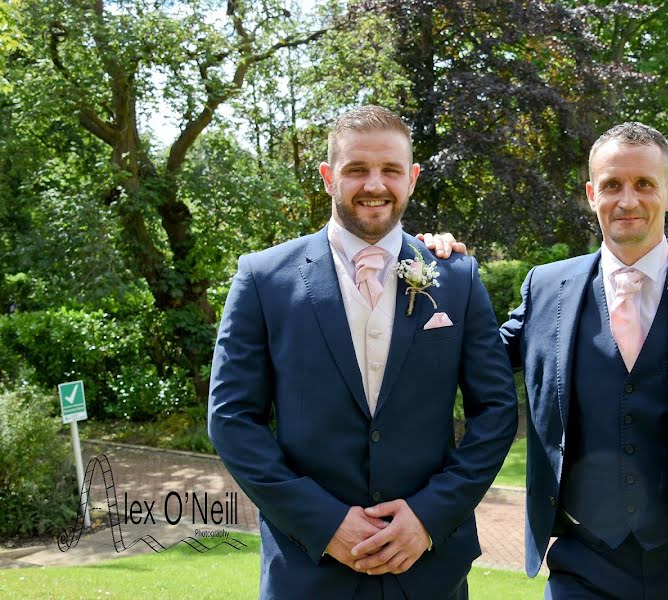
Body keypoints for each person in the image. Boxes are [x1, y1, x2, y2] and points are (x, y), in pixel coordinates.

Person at [425, 122, 668, 598]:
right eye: (612, 185)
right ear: (592, 194)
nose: (627, 200)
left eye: (644, 184)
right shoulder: (546, 287)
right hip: (583, 563)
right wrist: (435, 273)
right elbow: (473, 357)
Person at [208, 105, 518, 600]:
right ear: (329, 177)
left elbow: (497, 410)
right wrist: (326, 524)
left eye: (391, 170)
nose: (375, 184)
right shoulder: (263, 278)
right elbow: (231, 419)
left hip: (428, 570)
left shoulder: (456, 278)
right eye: (357, 169)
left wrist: (429, 517)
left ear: (412, 178)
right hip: (308, 572)